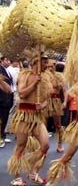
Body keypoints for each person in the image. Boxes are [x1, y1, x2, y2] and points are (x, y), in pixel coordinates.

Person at [8, 55, 52, 186]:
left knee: (45, 145)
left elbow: (46, 99)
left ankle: (33, 172)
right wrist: (34, 83)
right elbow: (21, 93)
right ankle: (16, 177)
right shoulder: (24, 75)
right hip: (23, 115)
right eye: (44, 62)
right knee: (21, 146)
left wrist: (42, 105)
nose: (47, 65)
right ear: (36, 62)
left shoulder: (45, 79)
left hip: (37, 117)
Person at [45, 58, 67, 153]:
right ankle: (42, 145)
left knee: (58, 124)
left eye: (52, 66)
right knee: (43, 124)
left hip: (56, 101)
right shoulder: (43, 76)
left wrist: (65, 102)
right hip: (45, 101)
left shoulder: (60, 76)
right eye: (49, 66)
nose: (51, 68)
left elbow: (65, 90)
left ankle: (60, 143)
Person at [0, 56, 14, 149]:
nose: (8, 62)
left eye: (9, 60)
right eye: (6, 60)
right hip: (2, 98)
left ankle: (3, 136)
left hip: (8, 97)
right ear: (2, 61)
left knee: (4, 118)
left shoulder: (7, 70)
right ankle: (1, 137)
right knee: (2, 119)